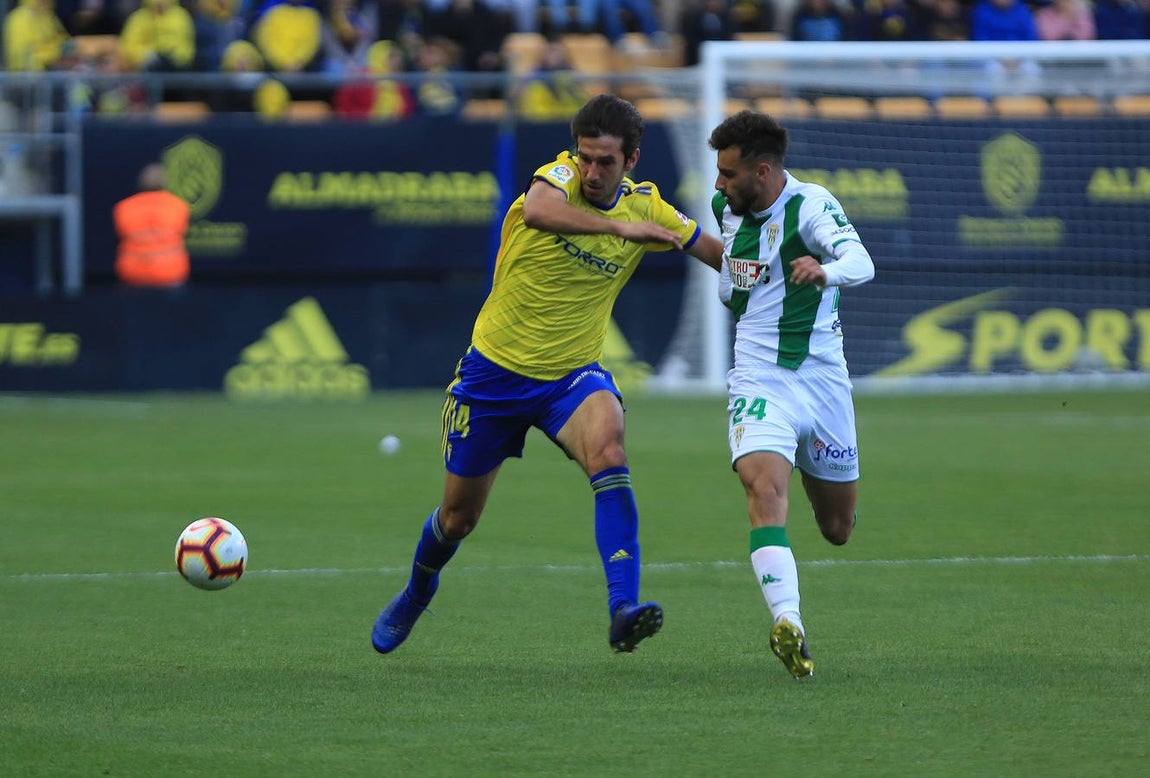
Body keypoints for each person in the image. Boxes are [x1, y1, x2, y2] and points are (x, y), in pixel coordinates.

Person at [372, 94, 725, 656]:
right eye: (585, 157)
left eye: (605, 162)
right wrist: (618, 229)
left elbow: (718, 254)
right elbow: (537, 210)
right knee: (458, 519)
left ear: (631, 162)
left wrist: (786, 272)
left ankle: (622, 610)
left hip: (570, 379)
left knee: (609, 451)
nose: (591, 170)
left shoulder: (651, 208)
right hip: (493, 375)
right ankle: (417, 592)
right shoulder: (556, 179)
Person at [706, 110, 875, 678]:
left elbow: (861, 260)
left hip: (823, 382)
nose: (718, 184)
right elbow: (734, 273)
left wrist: (825, 273)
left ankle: (811, 462)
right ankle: (788, 621)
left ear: (762, 170)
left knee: (837, 529)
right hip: (759, 378)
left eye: (728, 174)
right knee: (763, 486)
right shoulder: (724, 211)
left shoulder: (810, 204)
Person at [113, 163, 191, 288]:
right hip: (170, 271)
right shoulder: (178, 206)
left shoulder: (123, 207)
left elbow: (120, 234)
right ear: (165, 182)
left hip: (133, 272)